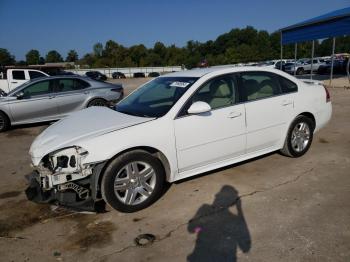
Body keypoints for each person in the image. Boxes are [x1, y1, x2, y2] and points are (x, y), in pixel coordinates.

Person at [187, 185, 251, 262]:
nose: (217, 197)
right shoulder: (205, 209)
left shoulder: (233, 220)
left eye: (223, 197)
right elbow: (192, 229)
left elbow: (245, 247)